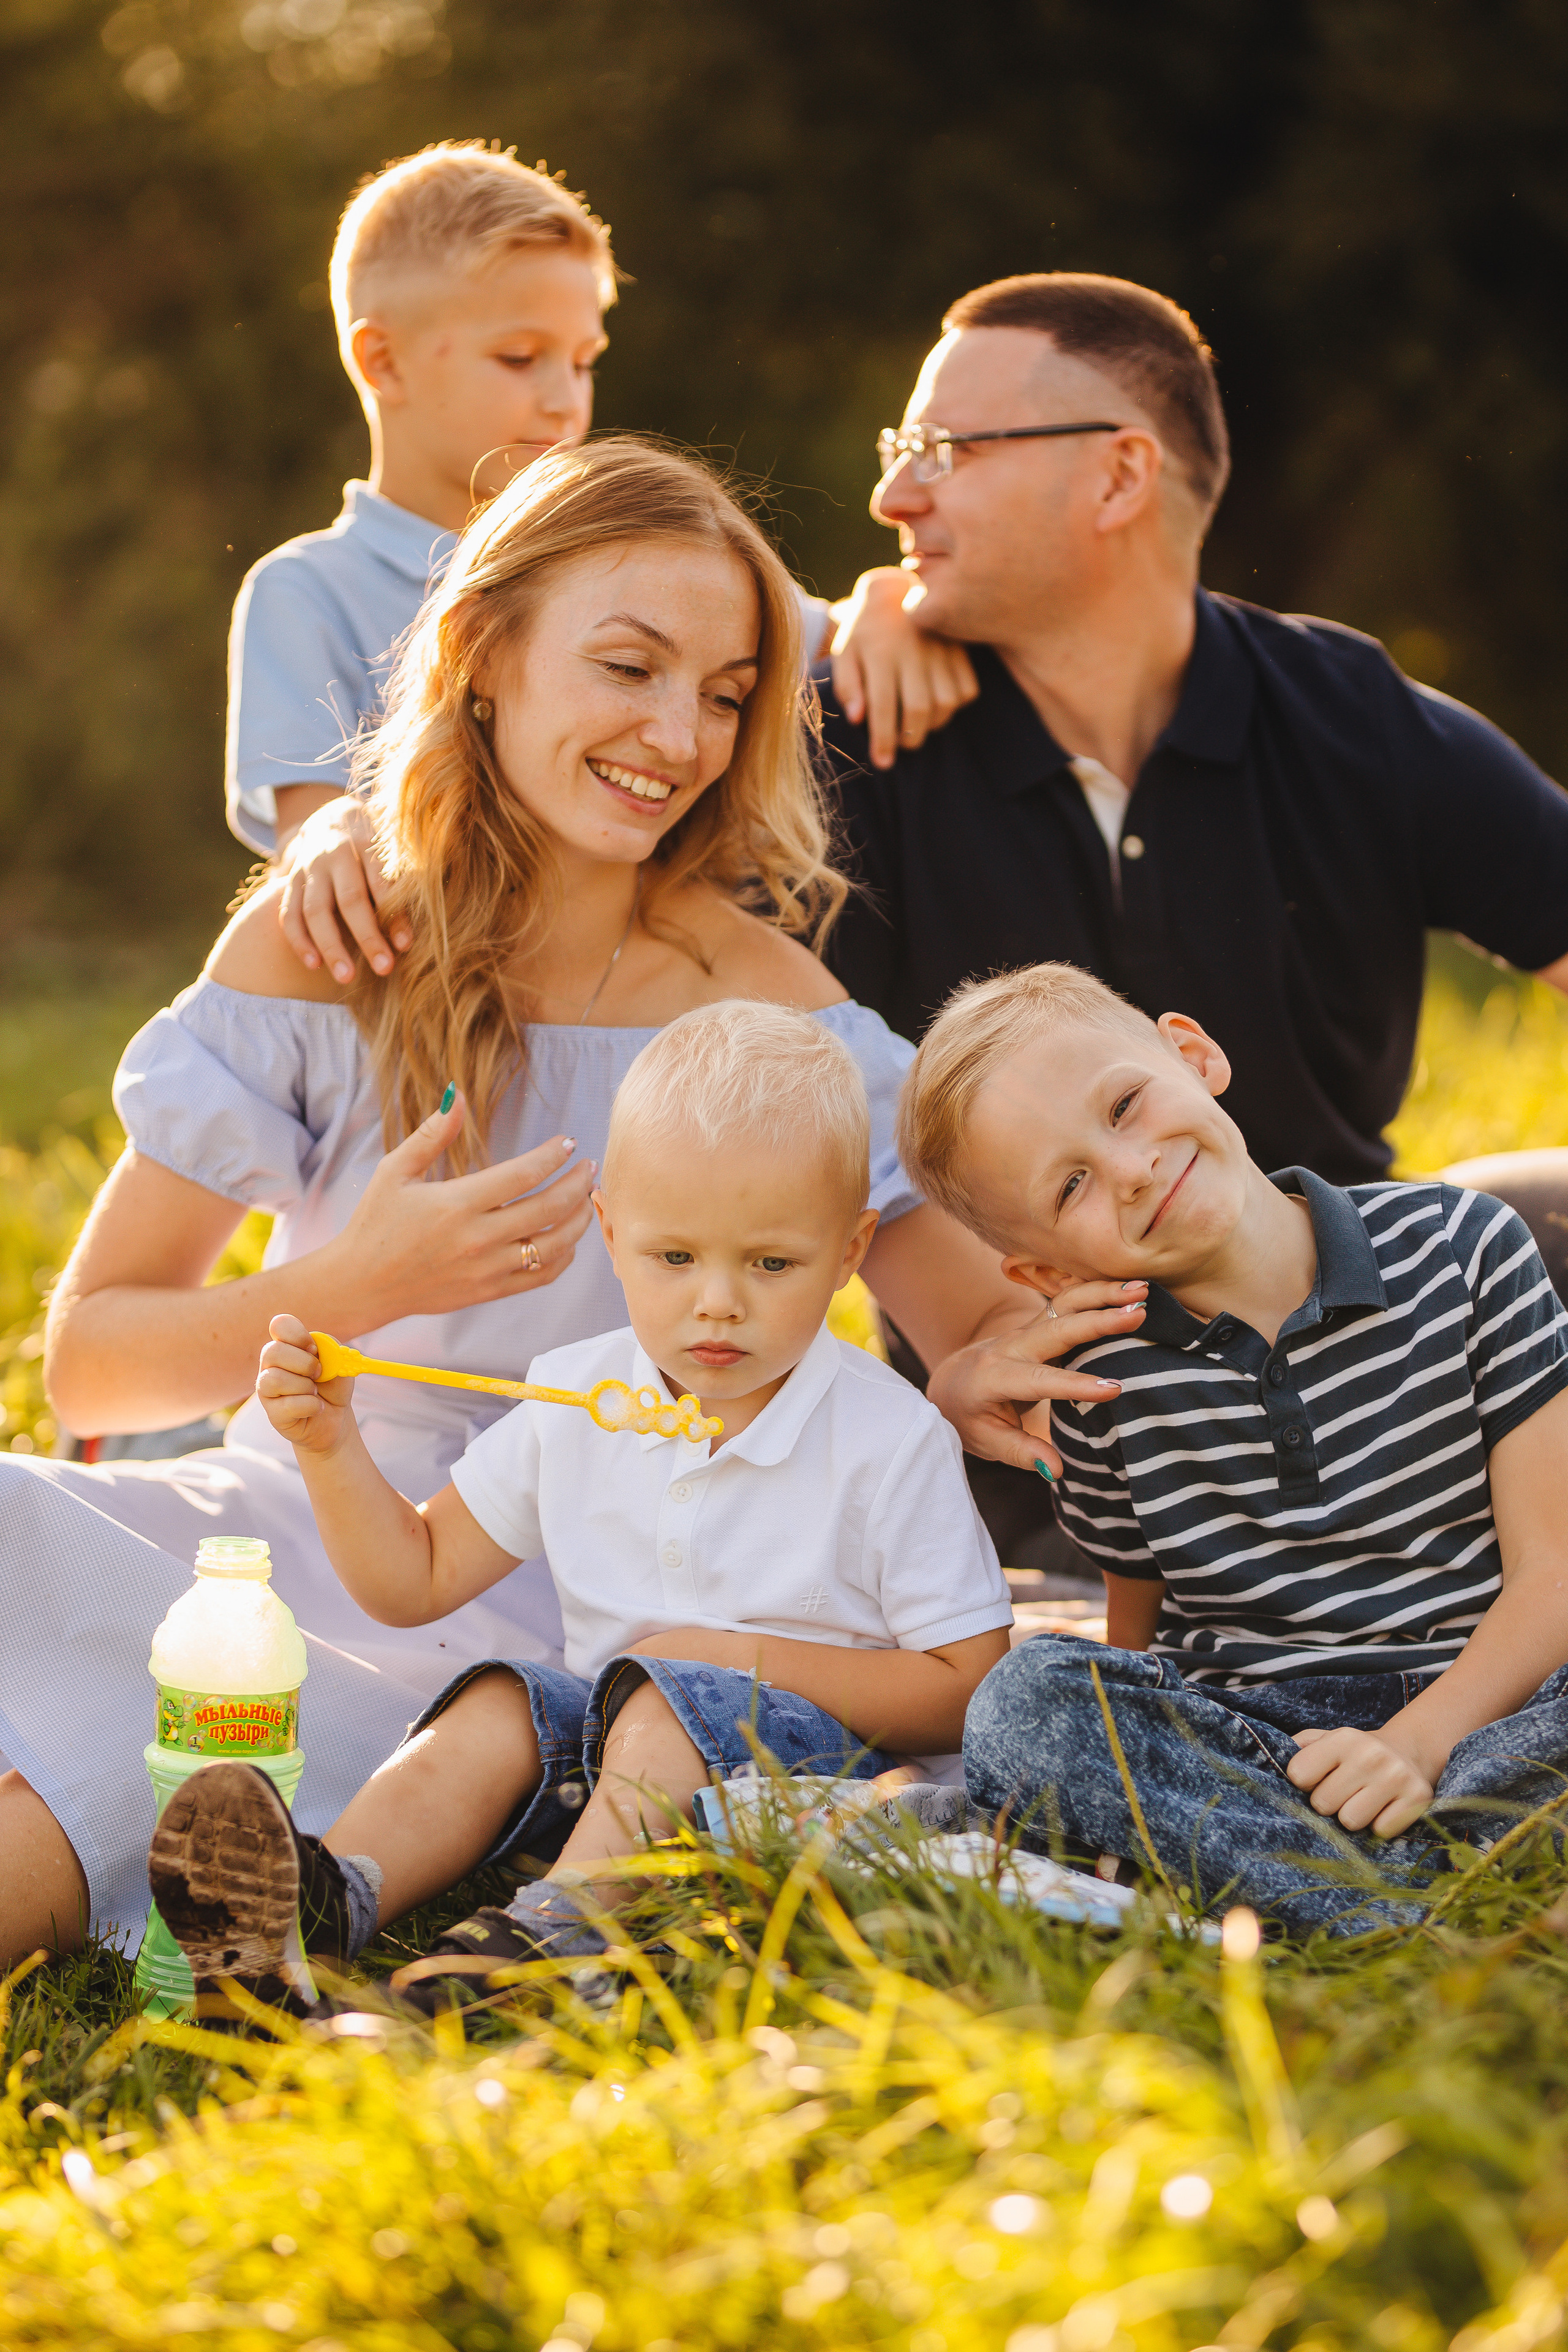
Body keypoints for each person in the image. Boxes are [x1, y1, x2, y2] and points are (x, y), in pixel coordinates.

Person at [5, 439, 1091, 1969]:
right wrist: (357, 1283)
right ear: (485, 656)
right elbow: (96, 1365)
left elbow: (961, 1319)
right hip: (288, 1522)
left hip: (554, 1612)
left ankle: (275, 1890)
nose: (679, 735)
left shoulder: (770, 1008)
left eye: (723, 694)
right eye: (629, 667)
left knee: (94, 1796)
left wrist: (988, 1367)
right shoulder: (326, 948)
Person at [814, 271, 1568, 1480]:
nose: (891, 491)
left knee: (1544, 1212)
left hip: (1387, 1404)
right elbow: (792, 1099)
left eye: (944, 450)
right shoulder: (854, 738)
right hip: (1036, 1430)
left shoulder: (1344, 715)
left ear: (1118, 475)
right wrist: (981, 1342)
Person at [148, 1002, 1013, 2015]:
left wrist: (723, 1661)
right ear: (612, 1230)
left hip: (827, 1786)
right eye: (674, 1258)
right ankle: (316, 1908)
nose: (717, 1303)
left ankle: (533, 1958)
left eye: (771, 1264)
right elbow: (412, 1578)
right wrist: (332, 1448)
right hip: (623, 1764)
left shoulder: (887, 1436)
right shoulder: (580, 1401)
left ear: (851, 1249)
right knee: (506, 1703)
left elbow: (968, 1687)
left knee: (660, 1703)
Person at [895, 961, 1568, 1936]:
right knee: (1027, 1702)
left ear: (1193, 1053)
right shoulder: (1101, 1386)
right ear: (1044, 1269)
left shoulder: (1463, 1248)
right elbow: (1140, 1627)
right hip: (1269, 1742)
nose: (1128, 1170)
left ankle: (1342, 1892)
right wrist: (1104, 1750)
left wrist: (1420, 1741)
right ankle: (1418, 1906)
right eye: (1072, 1183)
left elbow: (1553, 1574)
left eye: (1125, 1105)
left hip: (1497, 1698)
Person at [228, 139, 974, 978]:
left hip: (642, 999)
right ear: (382, 359)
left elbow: (807, 633)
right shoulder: (306, 590)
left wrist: (877, 605)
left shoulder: (631, 562)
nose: (564, 399)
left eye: (584, 362)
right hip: (426, 1013)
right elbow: (309, 826)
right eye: (520, 358)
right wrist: (327, 832)